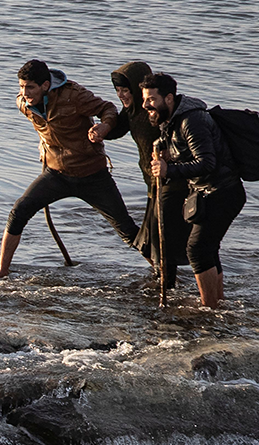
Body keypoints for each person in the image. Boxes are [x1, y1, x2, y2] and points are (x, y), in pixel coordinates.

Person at [0, 59, 139, 281]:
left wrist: (104, 126)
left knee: (128, 232)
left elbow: (107, 108)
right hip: (56, 174)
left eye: (30, 87)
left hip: (92, 174)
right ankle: (2, 271)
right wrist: (44, 147)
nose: (24, 93)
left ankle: (165, 272)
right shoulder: (24, 104)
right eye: (21, 86)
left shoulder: (74, 96)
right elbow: (47, 129)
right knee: (19, 212)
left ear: (45, 85)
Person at [141, 73, 246, 307]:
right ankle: (217, 303)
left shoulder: (192, 121)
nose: (145, 105)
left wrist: (169, 170)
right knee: (206, 248)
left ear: (169, 98)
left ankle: (209, 308)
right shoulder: (172, 120)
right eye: (144, 99)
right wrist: (169, 156)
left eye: (150, 99)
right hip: (209, 192)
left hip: (222, 192)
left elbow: (207, 163)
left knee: (197, 249)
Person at [94, 61, 191, 288]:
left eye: (126, 91)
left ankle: (167, 283)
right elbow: (118, 128)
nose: (121, 95)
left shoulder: (157, 112)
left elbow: (181, 137)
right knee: (154, 237)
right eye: (117, 91)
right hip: (152, 181)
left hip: (171, 180)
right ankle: (164, 278)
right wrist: (100, 129)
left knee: (162, 235)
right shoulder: (134, 110)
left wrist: (171, 153)